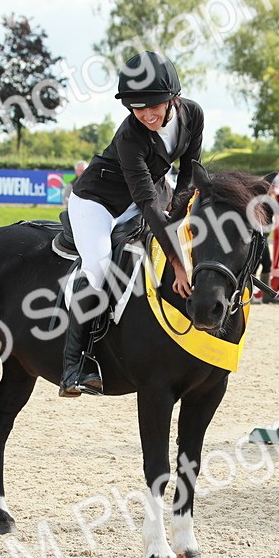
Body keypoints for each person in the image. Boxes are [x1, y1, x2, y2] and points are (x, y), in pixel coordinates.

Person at [61, 51, 204, 397]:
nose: (147, 115)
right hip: (98, 202)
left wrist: (181, 212)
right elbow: (147, 205)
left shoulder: (194, 114)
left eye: (154, 106)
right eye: (137, 108)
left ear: (173, 99)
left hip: (145, 195)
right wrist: (177, 264)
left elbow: (189, 170)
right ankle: (74, 364)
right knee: (97, 266)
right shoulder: (130, 136)